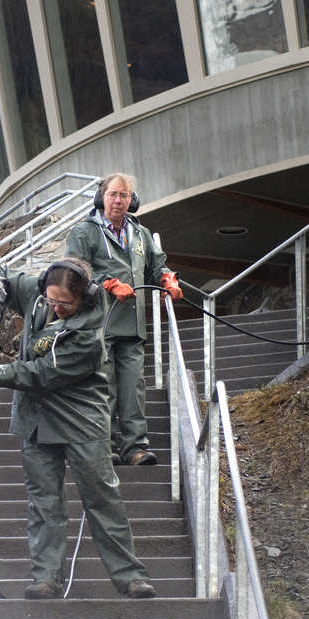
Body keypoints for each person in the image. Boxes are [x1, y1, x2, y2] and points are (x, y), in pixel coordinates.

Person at [0, 257, 156, 600]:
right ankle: (46, 578)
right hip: (35, 420)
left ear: (83, 298)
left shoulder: (89, 333)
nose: (56, 308)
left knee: (102, 498)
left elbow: (37, 374)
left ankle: (130, 576)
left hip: (81, 419)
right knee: (44, 503)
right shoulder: (41, 293)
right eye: (51, 300)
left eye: (65, 304)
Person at [65, 173, 182, 466]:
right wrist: (108, 283)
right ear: (101, 197)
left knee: (133, 388)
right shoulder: (83, 233)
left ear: (133, 201)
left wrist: (167, 279)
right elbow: (74, 273)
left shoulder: (140, 234)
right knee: (103, 389)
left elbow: (157, 265)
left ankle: (135, 447)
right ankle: (102, 448)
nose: (118, 201)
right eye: (113, 194)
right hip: (98, 327)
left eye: (125, 196)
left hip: (132, 327)